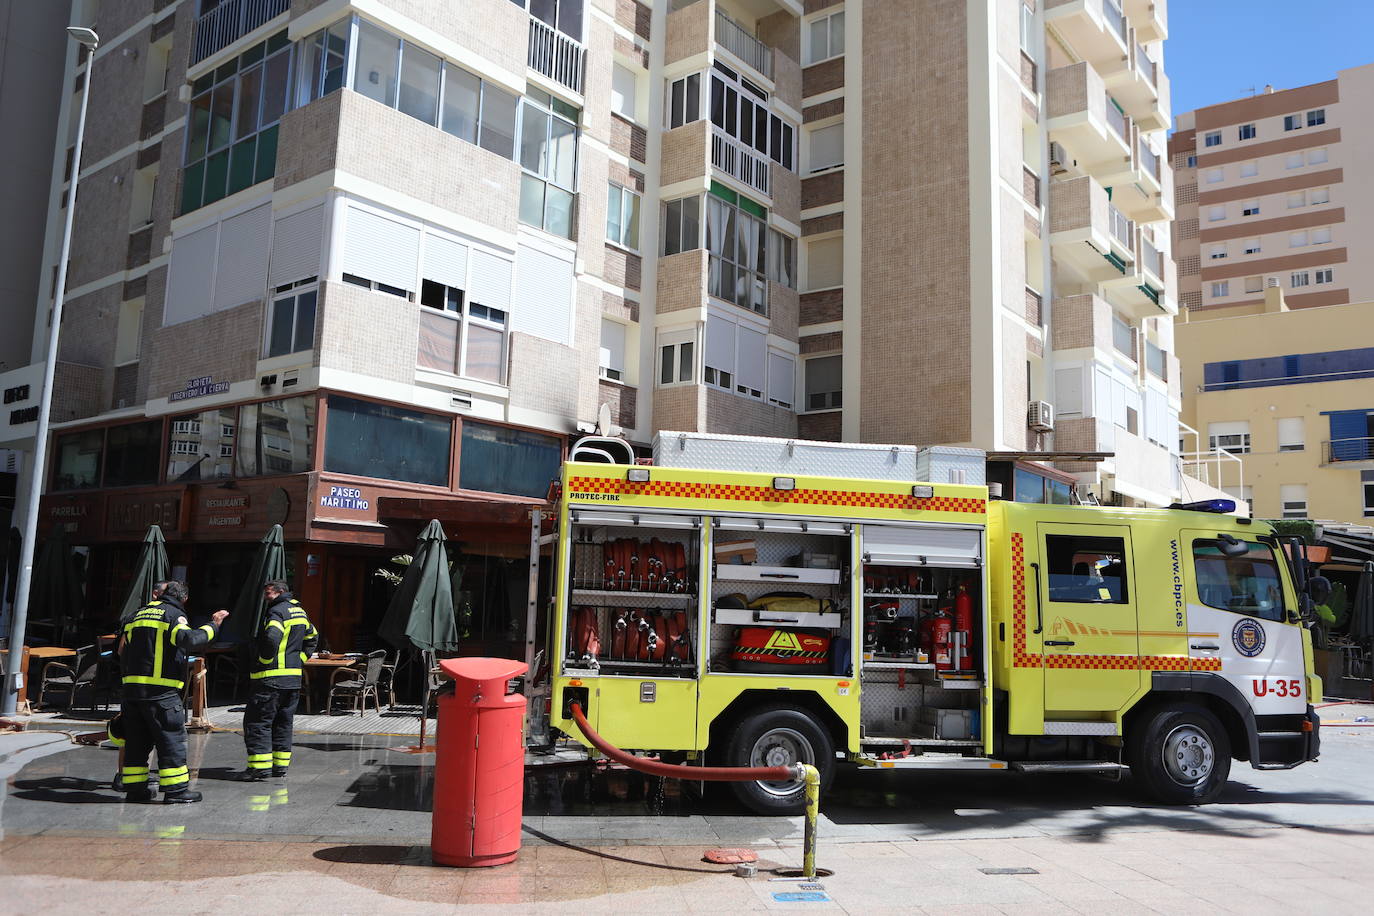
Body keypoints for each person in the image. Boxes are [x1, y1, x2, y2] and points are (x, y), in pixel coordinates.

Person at [118, 580, 227, 803]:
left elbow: (121, 650)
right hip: (162, 693)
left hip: (132, 693)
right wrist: (213, 626)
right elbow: (189, 640)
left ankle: (135, 790)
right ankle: (176, 791)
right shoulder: (172, 615)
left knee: (137, 743)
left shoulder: (135, 615)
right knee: (171, 741)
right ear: (184, 598)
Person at [241, 580, 318, 781]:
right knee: (283, 723)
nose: (265, 598)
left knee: (259, 723)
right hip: (292, 680)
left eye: (268, 594)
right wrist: (299, 661)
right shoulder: (300, 612)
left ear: (279, 592)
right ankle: (279, 767)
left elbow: (271, 638)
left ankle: (259, 769)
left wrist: (264, 660)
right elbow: (313, 637)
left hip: (270, 679)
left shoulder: (276, 612)